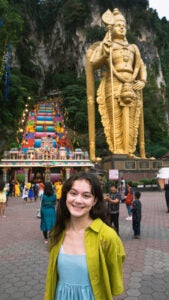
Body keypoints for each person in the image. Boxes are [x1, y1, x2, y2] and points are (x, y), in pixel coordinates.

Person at [44, 172, 125, 300]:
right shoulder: (56, 233)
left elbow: (114, 282)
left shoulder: (108, 236)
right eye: (73, 193)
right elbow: (52, 277)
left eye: (86, 196)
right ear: (65, 196)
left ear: (95, 201)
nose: (78, 200)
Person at [86, 8, 147, 161]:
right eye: (118, 24)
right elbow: (93, 63)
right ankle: (118, 150)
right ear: (111, 27)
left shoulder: (133, 47)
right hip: (113, 83)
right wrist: (105, 52)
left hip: (132, 84)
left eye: (124, 25)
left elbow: (141, 66)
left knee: (133, 118)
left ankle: (130, 150)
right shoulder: (107, 46)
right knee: (115, 118)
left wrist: (142, 81)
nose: (122, 27)